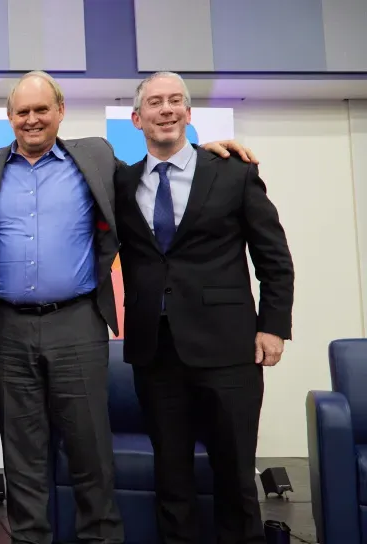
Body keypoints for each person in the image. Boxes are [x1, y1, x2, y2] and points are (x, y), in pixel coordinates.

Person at [0, 70, 256, 544]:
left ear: (61, 111)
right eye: (23, 112)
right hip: (9, 327)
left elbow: (156, 170)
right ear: (9, 117)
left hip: (78, 322)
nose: (33, 119)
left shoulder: (95, 156)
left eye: (43, 110)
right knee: (22, 455)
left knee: (90, 452)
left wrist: (205, 154)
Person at [115, 71, 293, 544]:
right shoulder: (121, 182)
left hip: (229, 348)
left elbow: (274, 258)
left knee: (235, 478)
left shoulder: (234, 172)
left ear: (189, 115)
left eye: (176, 101)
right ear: (137, 118)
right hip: (156, 354)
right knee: (171, 482)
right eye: (155, 103)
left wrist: (273, 327)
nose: (166, 109)